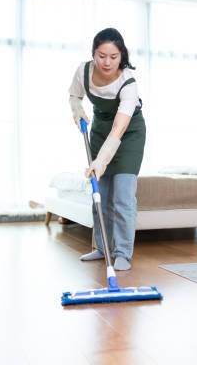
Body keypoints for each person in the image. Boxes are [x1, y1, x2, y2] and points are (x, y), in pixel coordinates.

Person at [68, 28, 146, 271]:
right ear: (93, 54)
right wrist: (77, 109)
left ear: (122, 55)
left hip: (128, 134)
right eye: (102, 55)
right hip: (100, 131)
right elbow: (74, 94)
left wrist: (100, 162)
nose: (107, 62)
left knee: (122, 196)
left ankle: (123, 252)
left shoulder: (128, 83)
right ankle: (102, 248)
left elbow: (118, 130)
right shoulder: (84, 70)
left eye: (113, 56)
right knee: (98, 194)